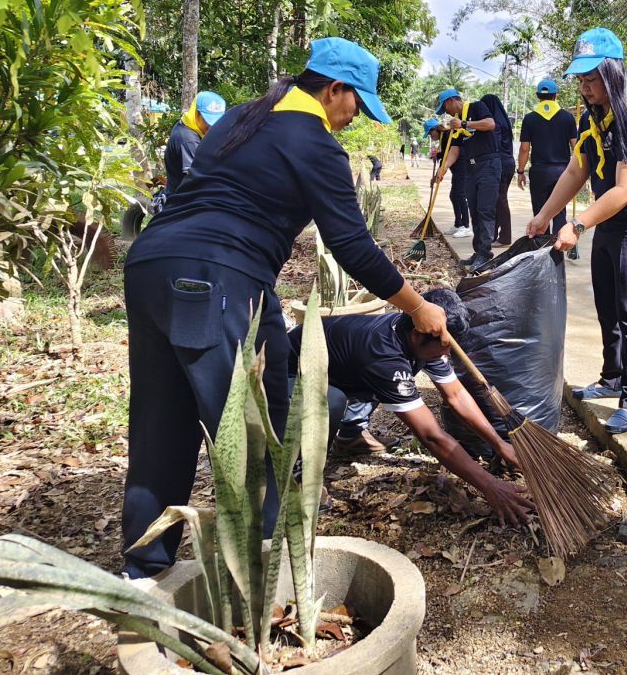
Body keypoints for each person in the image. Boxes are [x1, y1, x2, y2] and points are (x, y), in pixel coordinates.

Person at [120, 37, 449, 578]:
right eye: (356, 103)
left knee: (162, 419)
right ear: (334, 89)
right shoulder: (315, 142)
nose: (354, 117)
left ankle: (143, 571)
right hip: (218, 277)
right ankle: (266, 573)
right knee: (263, 425)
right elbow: (352, 245)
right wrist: (416, 307)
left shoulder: (241, 118)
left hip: (151, 265)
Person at [526, 28, 627, 435]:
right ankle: (612, 377)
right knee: (608, 303)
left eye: (592, 79)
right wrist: (545, 215)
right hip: (610, 220)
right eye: (581, 80)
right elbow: (577, 170)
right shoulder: (592, 117)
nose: (585, 88)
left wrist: (578, 223)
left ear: (613, 73)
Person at [287, 290, 532, 526]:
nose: (447, 352)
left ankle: (351, 437)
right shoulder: (384, 356)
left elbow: (456, 395)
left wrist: (498, 444)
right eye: (444, 346)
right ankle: (300, 478)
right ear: (417, 335)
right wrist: (490, 486)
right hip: (287, 376)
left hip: (342, 370)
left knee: (390, 385)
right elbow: (431, 436)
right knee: (333, 401)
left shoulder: (422, 337)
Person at [433, 88, 500, 271]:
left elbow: (490, 124)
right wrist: (444, 167)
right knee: (474, 210)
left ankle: (485, 254)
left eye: (445, 108)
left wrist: (464, 123)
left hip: (488, 164)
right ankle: (478, 251)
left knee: (485, 210)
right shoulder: (455, 124)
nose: (447, 112)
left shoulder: (477, 107)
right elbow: (454, 150)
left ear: (451, 101)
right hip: (471, 168)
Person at [518, 79, 578, 234]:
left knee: (540, 213)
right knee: (559, 211)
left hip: (539, 171)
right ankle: (558, 246)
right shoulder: (567, 117)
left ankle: (542, 246)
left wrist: (520, 171)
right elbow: (576, 147)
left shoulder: (529, 119)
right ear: (555, 95)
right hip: (562, 171)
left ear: (537, 96)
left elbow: (524, 149)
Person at [163, 91, 226, 195]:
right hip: (183, 199)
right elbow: (196, 180)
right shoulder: (188, 140)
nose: (211, 126)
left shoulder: (186, 125)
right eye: (207, 121)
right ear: (196, 114)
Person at [480, 93, 516, 247]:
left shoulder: (495, 124)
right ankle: (493, 235)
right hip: (508, 163)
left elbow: (493, 144)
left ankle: (505, 237)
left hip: (499, 164)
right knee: (497, 200)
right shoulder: (504, 121)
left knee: (500, 200)